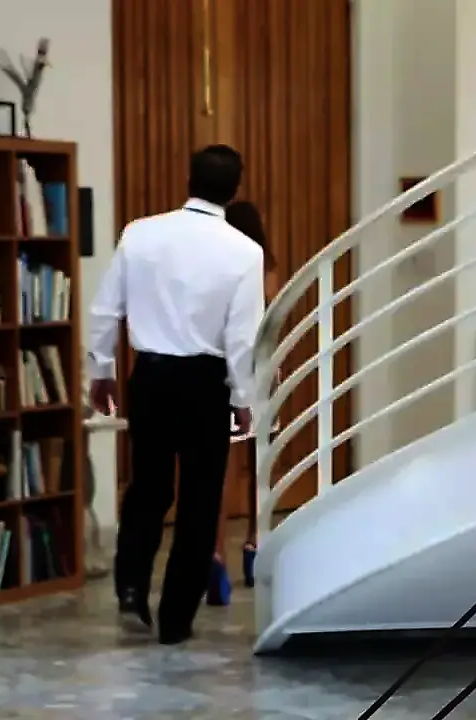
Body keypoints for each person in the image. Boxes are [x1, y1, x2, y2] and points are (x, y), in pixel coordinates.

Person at [86, 144, 264, 645]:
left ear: (189, 179)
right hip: (205, 382)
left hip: (151, 375)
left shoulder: (139, 234)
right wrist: (243, 397)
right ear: (235, 189)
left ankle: (130, 588)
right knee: (200, 500)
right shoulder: (244, 253)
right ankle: (176, 618)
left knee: (148, 487)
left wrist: (102, 371)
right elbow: (242, 337)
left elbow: (105, 310)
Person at [205, 200, 278, 605]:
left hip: (221, 369)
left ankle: (215, 555)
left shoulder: (215, 265)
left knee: (220, 468)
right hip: (261, 370)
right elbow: (272, 319)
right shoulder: (265, 267)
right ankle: (254, 543)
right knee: (260, 462)